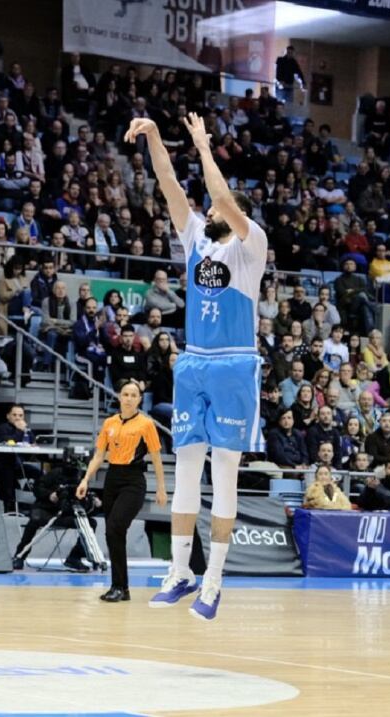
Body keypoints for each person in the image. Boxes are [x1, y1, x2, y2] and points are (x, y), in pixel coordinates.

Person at [127, 114, 265, 620]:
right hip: (194, 363)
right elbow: (168, 185)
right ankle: (180, 571)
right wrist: (156, 138)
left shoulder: (252, 245)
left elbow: (224, 198)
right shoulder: (196, 241)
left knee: (223, 475)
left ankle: (214, 581)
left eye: (215, 206)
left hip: (234, 365)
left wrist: (205, 148)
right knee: (187, 470)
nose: (206, 209)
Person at [76, 381, 167, 602]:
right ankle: (121, 588)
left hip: (133, 481)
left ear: (139, 399)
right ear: (119, 396)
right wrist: (85, 479)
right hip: (112, 478)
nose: (128, 398)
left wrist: (161, 488)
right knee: (112, 533)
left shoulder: (146, 424)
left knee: (115, 526)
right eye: (125, 394)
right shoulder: (109, 423)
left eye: (133, 395)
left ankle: (119, 585)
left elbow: (156, 457)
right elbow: (99, 455)